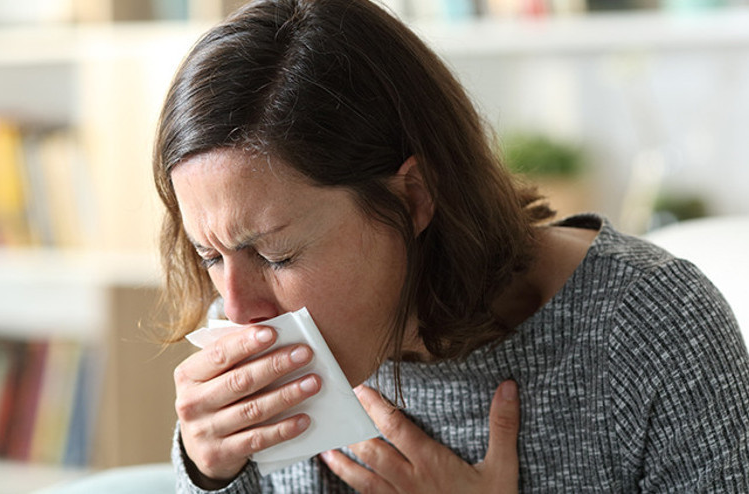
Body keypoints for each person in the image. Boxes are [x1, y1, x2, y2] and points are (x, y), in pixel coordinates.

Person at [152, 0, 749, 492]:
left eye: (277, 255)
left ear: (414, 197)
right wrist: (209, 472)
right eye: (210, 255)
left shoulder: (647, 328)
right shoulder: (250, 336)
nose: (235, 310)